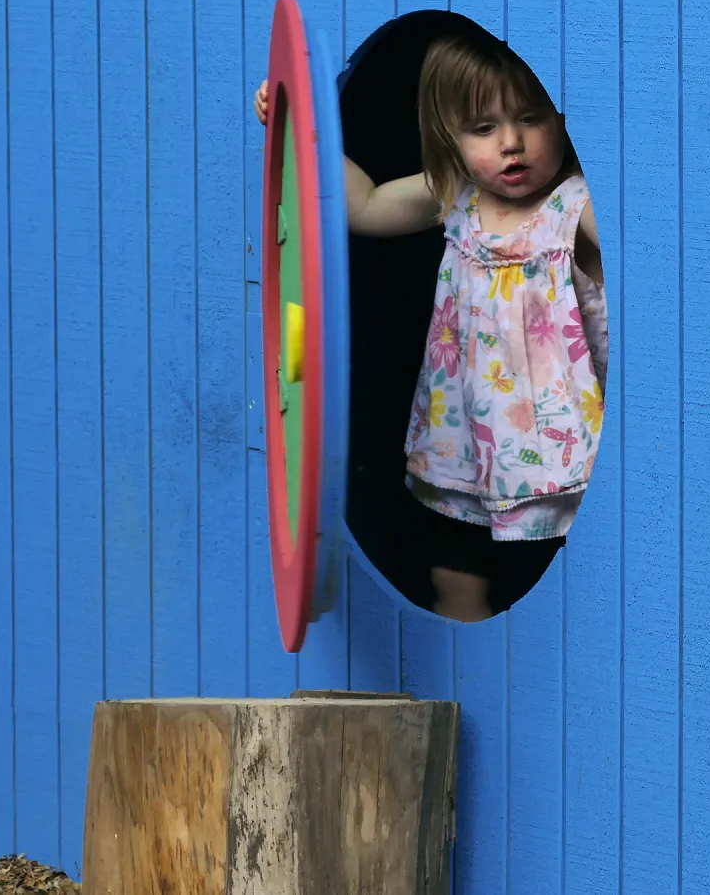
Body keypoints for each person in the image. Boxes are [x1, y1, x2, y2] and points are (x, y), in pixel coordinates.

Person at [254, 30, 608, 622]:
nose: (511, 143)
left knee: (564, 577)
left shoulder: (574, 204)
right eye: (483, 128)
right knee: (455, 563)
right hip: (469, 438)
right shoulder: (455, 195)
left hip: (558, 441)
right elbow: (361, 207)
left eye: (530, 118)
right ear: (450, 135)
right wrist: (298, 125)